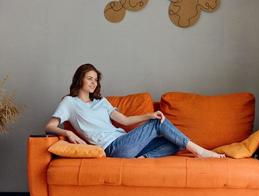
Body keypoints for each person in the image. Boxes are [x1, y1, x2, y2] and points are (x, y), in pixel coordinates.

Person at [45, 64, 225, 159]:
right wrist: (67, 131)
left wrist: (149, 115)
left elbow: (124, 120)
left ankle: (145, 158)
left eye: (96, 80)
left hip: (125, 142)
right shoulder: (69, 102)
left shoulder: (102, 101)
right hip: (111, 148)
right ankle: (201, 151)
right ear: (80, 79)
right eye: (89, 78)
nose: (93, 83)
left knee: (174, 142)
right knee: (158, 123)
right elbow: (50, 126)